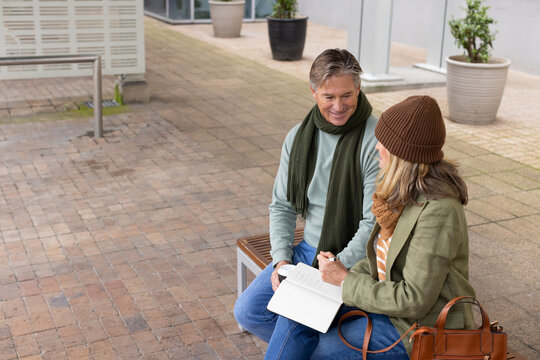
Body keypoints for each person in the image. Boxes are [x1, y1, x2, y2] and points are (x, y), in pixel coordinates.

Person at [264, 95, 477, 359]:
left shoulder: (439, 210)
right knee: (296, 314)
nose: (377, 147)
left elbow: (414, 300)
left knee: (321, 349)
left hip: (415, 327)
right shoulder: (399, 191)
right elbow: (378, 258)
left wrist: (345, 280)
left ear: (403, 155)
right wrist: (336, 272)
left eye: (384, 142)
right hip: (383, 303)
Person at [234, 49, 380, 342]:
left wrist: (337, 267)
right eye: (329, 97)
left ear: (359, 89)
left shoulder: (375, 140)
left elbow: (372, 223)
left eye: (347, 95)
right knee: (249, 312)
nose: (339, 106)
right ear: (313, 92)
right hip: (306, 250)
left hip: (354, 259)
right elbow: (282, 206)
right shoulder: (298, 137)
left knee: (298, 327)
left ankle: (305, 346)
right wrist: (281, 261)